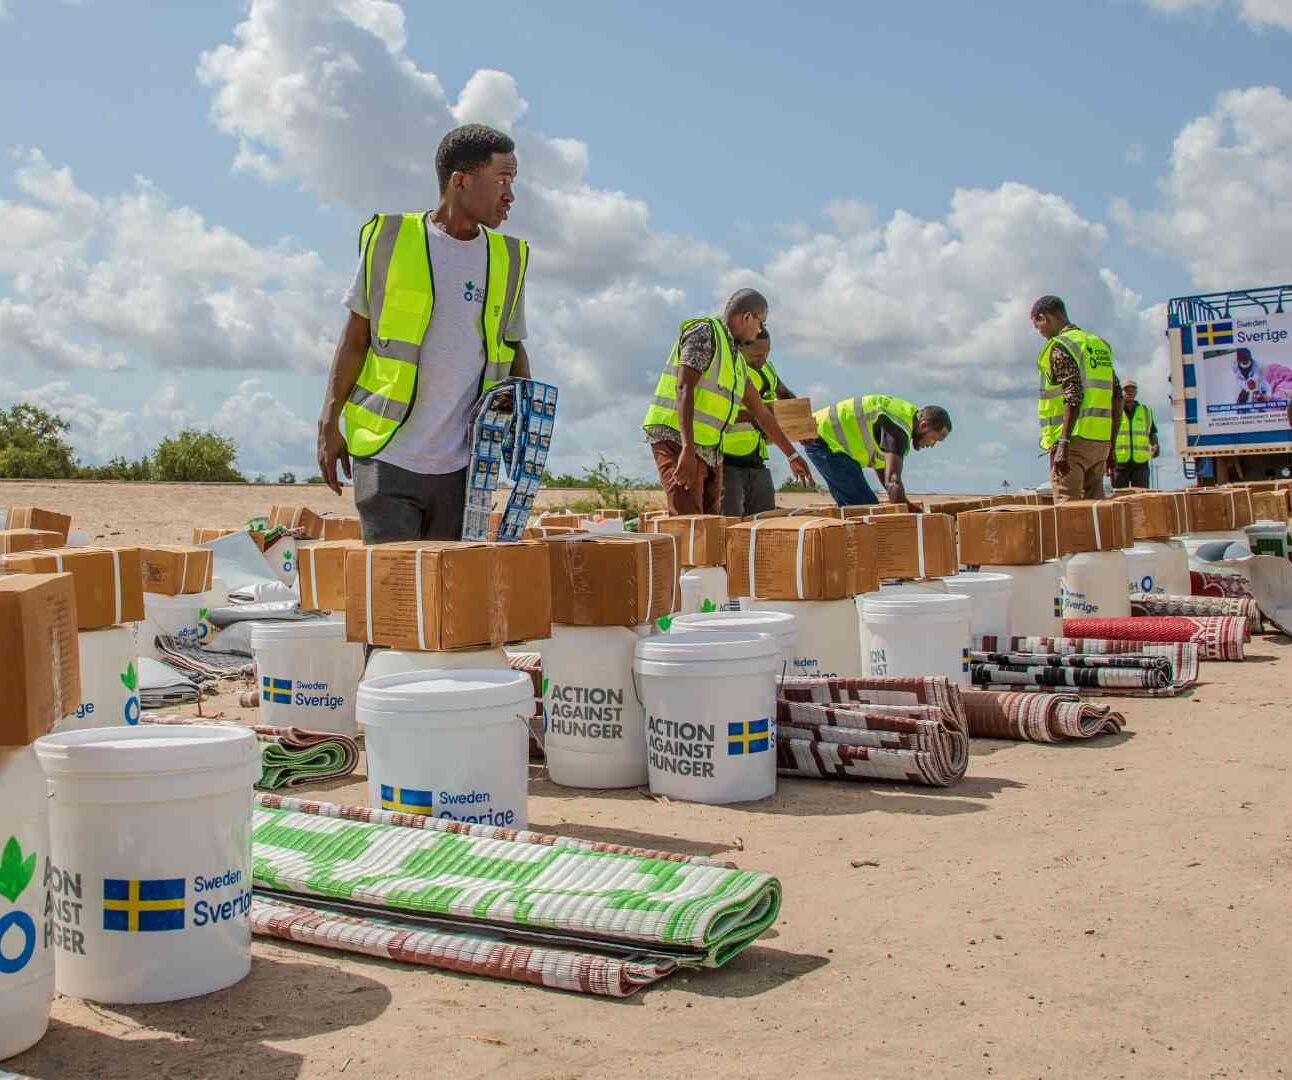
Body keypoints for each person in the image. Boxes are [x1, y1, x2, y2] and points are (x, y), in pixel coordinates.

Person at [315, 124, 530, 543]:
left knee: (445, 600)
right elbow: (355, 337)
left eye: (513, 181)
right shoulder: (391, 240)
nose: (510, 195)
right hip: (388, 455)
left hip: (464, 468)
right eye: (502, 179)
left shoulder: (510, 259)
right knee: (396, 595)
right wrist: (328, 422)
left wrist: (523, 445)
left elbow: (515, 351)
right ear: (461, 181)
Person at [642, 289, 812, 514]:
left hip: (709, 449)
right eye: (761, 323)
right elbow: (684, 387)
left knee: (713, 527)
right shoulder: (705, 333)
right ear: (747, 317)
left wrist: (792, 454)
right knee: (690, 523)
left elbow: (760, 411)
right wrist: (687, 448)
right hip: (676, 439)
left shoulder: (734, 358)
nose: (760, 330)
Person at [1031, 295, 1123, 503]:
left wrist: (1063, 443)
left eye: (1038, 326)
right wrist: (1111, 445)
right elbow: (1116, 396)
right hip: (1099, 444)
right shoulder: (1098, 345)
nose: (1040, 333)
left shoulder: (1061, 346)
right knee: (1095, 511)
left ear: (1044, 317)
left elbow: (1073, 395)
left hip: (1073, 442)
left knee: (1068, 513)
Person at [802, 396, 952, 506]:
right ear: (924, 425)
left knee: (860, 506)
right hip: (822, 438)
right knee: (863, 507)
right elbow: (893, 482)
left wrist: (906, 505)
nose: (932, 444)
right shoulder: (898, 430)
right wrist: (915, 520)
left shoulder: (903, 417)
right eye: (935, 438)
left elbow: (887, 479)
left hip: (824, 441)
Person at [719, 329, 795, 516]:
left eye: (766, 353)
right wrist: (760, 418)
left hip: (756, 459)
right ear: (741, 348)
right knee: (729, 523)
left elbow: (784, 393)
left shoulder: (767, 369)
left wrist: (802, 421)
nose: (762, 359)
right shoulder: (729, 371)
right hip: (726, 460)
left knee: (764, 521)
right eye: (756, 355)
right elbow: (721, 411)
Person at [1111, 379, 1158, 489]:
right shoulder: (1114, 410)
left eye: (1132, 389)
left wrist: (1155, 445)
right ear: (1121, 391)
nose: (1130, 392)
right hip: (1119, 462)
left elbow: (1151, 432)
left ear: (1136, 392)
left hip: (1141, 463)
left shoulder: (1145, 411)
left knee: (1142, 497)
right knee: (1120, 498)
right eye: (1127, 389)